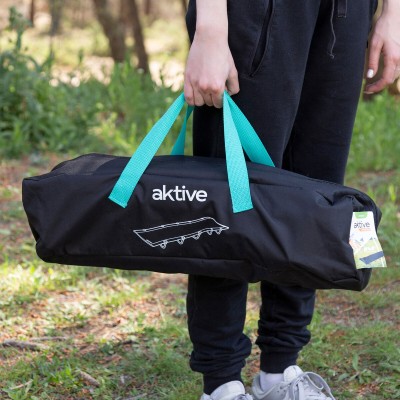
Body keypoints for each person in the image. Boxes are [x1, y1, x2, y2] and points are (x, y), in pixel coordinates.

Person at [182, 0, 400, 399]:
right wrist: (210, 28)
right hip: (256, 11)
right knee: (233, 197)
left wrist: (393, 12)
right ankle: (221, 383)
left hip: (347, 14)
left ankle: (279, 371)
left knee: (315, 192)